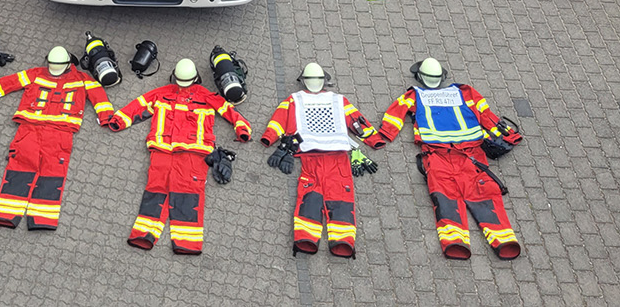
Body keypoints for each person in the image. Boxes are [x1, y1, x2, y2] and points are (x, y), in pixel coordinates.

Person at [378, 57, 523, 260]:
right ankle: (504, 240)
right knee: (482, 194)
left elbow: (396, 112)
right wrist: (505, 134)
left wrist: (384, 134)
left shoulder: (415, 94)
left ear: (420, 77)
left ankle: (455, 242)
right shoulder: (464, 91)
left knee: (445, 198)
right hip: (471, 155)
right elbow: (485, 114)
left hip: (437, 155)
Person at [109, 57, 251, 255]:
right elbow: (140, 104)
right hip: (164, 151)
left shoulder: (205, 96)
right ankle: (144, 234)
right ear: (196, 77)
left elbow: (229, 111)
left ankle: (187, 242)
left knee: (186, 193)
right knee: (156, 189)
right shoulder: (164, 93)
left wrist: (242, 128)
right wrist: (120, 119)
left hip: (193, 155)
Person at [0, 45, 116, 231]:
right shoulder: (72, 78)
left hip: (47, 130)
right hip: (42, 130)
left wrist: (107, 116)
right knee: (26, 169)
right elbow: (10, 82)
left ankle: (38, 218)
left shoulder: (60, 76)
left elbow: (99, 96)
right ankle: (9, 215)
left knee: (46, 172)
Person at [262, 62, 385, 257]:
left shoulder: (295, 99)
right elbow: (356, 121)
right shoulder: (338, 100)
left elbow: (279, 119)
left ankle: (306, 240)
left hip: (310, 155)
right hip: (337, 157)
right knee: (340, 198)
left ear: (303, 81)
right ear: (324, 81)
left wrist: (270, 137)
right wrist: (373, 139)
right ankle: (343, 242)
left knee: (310, 197)